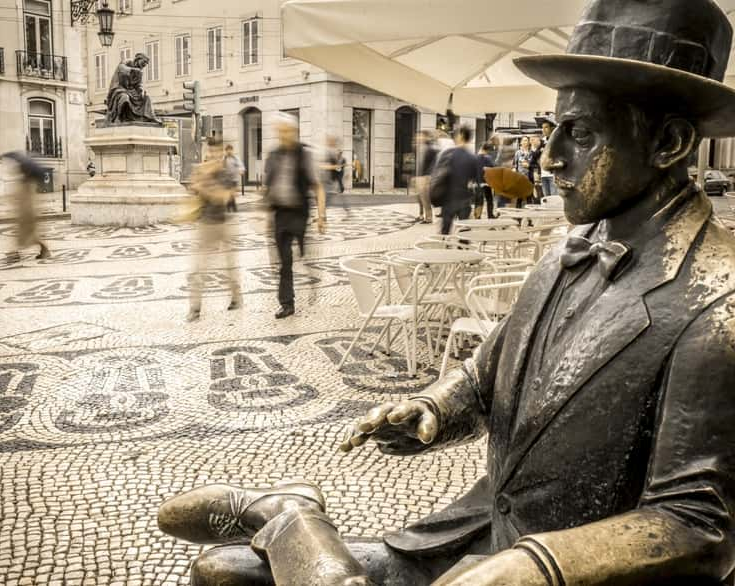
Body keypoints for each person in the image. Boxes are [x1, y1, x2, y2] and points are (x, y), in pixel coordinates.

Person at [157, 0, 735, 584]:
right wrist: (436, 406)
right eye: (550, 129)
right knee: (221, 571)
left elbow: (700, 526)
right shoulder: (573, 245)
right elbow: (488, 372)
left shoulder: (719, 301)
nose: (551, 157)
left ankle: (289, 516)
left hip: (557, 571)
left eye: (580, 134)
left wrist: (538, 567)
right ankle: (292, 517)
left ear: (669, 142)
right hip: (479, 536)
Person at [263, 113, 327, 319]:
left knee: (304, 255)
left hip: (299, 213)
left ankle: (312, 280)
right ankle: (287, 303)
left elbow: (317, 186)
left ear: (294, 131)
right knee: (285, 262)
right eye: (279, 131)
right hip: (280, 214)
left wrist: (322, 216)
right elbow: (267, 187)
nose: (282, 135)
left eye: (286, 131)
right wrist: (264, 215)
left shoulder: (304, 154)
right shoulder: (273, 155)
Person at [185, 138, 242, 322]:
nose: (213, 155)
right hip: (205, 224)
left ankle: (236, 296)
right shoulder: (202, 170)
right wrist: (198, 184)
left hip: (223, 224)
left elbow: (225, 198)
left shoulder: (226, 173)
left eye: (217, 152)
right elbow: (193, 189)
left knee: (229, 266)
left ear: (222, 153)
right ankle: (195, 308)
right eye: (211, 152)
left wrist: (204, 185)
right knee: (198, 268)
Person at [2, 151, 51, 261]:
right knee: (27, 235)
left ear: (25, 171)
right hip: (25, 213)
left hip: (27, 214)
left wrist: (21, 211)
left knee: (27, 235)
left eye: (20, 168)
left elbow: (26, 201)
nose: (17, 169)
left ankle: (15, 253)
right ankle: (42, 250)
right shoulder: (25, 182)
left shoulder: (27, 184)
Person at [435, 125, 482, 235]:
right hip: (465, 200)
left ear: (460, 136)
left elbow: (437, 175)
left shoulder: (448, 154)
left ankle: (445, 248)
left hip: (448, 199)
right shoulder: (472, 158)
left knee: (445, 232)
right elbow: (476, 183)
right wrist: (478, 204)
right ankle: (462, 249)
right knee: (464, 233)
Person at [105, 53, 160, 125]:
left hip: (131, 91)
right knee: (124, 98)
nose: (144, 65)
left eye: (146, 64)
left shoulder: (139, 72)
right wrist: (133, 70)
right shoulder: (127, 62)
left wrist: (141, 90)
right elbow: (121, 67)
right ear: (138, 59)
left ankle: (150, 117)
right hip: (119, 88)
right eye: (143, 62)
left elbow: (139, 84)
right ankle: (118, 117)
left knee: (147, 98)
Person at [413, 131, 438, 223]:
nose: (418, 138)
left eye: (420, 136)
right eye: (417, 136)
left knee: (425, 198)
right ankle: (421, 215)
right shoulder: (418, 148)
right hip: (419, 176)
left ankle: (428, 218)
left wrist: (429, 176)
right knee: (419, 197)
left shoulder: (431, 149)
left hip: (426, 177)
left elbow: (434, 163)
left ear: (425, 137)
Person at [322, 136, 350, 216]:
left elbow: (340, 170)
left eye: (339, 152)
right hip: (333, 180)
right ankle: (347, 211)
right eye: (337, 152)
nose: (338, 153)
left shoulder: (342, 160)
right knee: (331, 197)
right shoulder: (334, 158)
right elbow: (334, 168)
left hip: (337, 181)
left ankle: (322, 213)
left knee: (330, 197)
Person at [476, 142, 497, 219]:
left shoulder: (475, 157)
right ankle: (490, 215)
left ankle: (477, 216)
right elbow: (494, 168)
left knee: (479, 201)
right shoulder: (488, 158)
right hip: (487, 182)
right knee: (489, 200)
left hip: (478, 182)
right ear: (487, 150)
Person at [223, 144, 244, 213]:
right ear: (225, 151)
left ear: (232, 150)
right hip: (227, 180)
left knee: (231, 194)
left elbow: (240, 165)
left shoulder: (235, 158)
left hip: (234, 180)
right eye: (227, 150)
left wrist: (241, 170)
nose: (229, 151)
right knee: (230, 194)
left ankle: (229, 208)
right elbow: (221, 167)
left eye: (230, 150)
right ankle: (232, 209)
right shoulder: (224, 158)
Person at [539, 117, 558, 196]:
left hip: (553, 175)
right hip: (543, 174)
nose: (543, 130)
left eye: (546, 127)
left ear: (552, 128)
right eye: (542, 128)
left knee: (554, 199)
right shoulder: (542, 141)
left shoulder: (556, 140)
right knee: (546, 199)